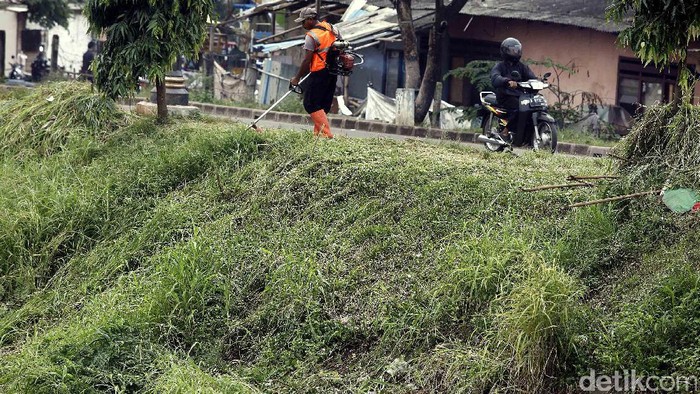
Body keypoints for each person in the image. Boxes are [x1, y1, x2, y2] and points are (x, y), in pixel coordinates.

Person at [290, 7, 341, 139]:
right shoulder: (332, 28)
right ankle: (318, 136)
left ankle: (327, 135)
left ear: (311, 19)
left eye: (303, 21)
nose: (302, 25)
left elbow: (307, 60)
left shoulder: (311, 35)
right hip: (333, 71)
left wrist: (297, 78)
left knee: (310, 104)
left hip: (319, 72)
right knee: (322, 105)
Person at [490, 37, 537, 146]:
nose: (516, 52)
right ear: (505, 51)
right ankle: (505, 131)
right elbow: (495, 78)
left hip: (520, 96)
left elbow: (531, 78)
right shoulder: (500, 66)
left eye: (517, 50)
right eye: (512, 50)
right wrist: (506, 81)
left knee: (532, 107)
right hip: (505, 96)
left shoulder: (522, 67)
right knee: (518, 108)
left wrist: (537, 83)